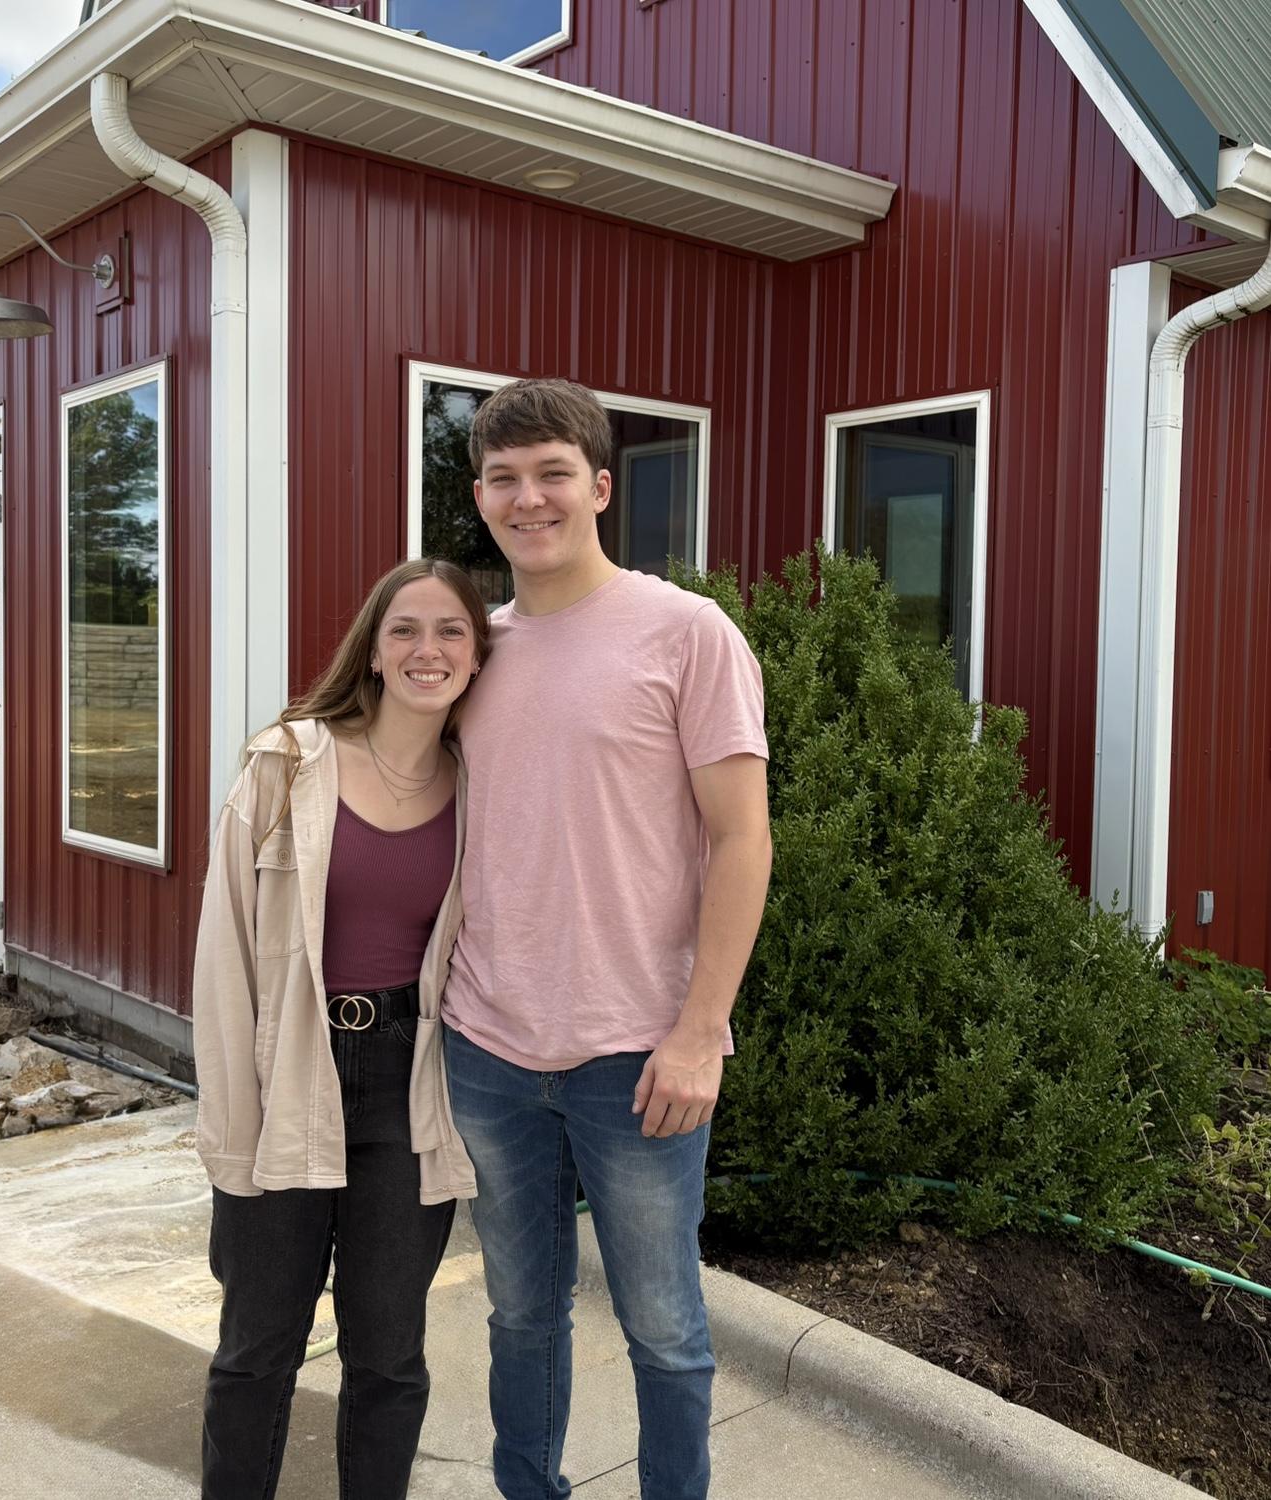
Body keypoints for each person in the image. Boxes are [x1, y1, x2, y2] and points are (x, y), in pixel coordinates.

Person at [443, 378, 773, 1500]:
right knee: (519, 1316)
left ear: (598, 487)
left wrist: (700, 1032)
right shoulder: (474, 650)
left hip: (638, 1053)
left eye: (551, 474)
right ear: (479, 497)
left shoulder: (686, 632)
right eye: (503, 478)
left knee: (665, 1329)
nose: (527, 498)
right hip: (488, 1048)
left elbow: (741, 839)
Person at [192, 558, 489, 1500]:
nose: (427, 650)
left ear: (477, 656)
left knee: (390, 1356)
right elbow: (225, 955)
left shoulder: (480, 788)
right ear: (372, 651)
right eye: (405, 629)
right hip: (289, 1066)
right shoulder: (288, 763)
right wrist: (232, 1121)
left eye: (451, 630)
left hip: (408, 1083)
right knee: (256, 1348)